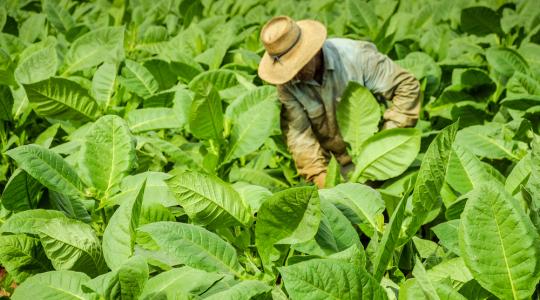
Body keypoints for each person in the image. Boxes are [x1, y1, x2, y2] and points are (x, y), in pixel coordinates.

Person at [257, 16, 421, 188]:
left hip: (378, 156)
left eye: (297, 66)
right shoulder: (287, 85)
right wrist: (324, 181)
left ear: (312, 51)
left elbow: (407, 86)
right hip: (334, 165)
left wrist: (386, 140)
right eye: (287, 71)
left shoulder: (356, 57)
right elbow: (299, 137)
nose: (293, 75)